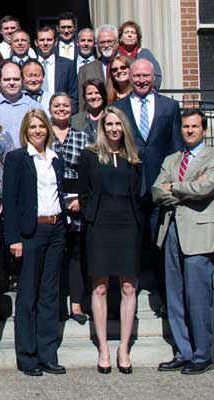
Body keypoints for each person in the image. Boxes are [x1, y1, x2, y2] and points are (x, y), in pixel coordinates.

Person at [113, 59, 182, 310]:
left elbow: (176, 147)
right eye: (137, 75)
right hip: (128, 189)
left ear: (154, 78)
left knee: (161, 246)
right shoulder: (118, 108)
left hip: (159, 189)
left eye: (146, 76)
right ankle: (123, 297)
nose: (141, 80)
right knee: (127, 244)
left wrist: (173, 185)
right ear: (129, 77)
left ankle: (164, 300)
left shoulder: (170, 107)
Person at [78, 106, 142, 375]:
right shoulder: (90, 156)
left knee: (128, 287)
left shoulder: (134, 158)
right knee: (100, 287)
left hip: (128, 224)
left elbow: (139, 191)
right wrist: (91, 214)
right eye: (108, 124)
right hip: (100, 224)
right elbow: (83, 193)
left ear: (123, 127)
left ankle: (123, 348)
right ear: (102, 128)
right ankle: (103, 347)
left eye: (118, 124)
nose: (114, 128)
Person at [3, 109, 67, 377]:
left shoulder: (56, 159)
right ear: (26, 131)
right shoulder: (17, 158)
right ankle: (27, 355)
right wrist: (14, 238)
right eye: (32, 127)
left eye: (41, 126)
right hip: (31, 232)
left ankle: (47, 354)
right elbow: (11, 200)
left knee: (50, 295)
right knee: (28, 295)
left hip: (56, 229)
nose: (38, 131)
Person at [153, 110, 214, 375]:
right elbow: (157, 191)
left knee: (198, 296)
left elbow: (206, 188)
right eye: (186, 126)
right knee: (175, 296)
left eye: (194, 126)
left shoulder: (212, 156)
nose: (189, 130)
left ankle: (203, 354)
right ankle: (183, 351)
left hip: (199, 235)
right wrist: (186, 187)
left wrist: (173, 187)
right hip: (171, 231)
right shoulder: (172, 158)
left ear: (204, 129)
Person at [49, 92, 93, 324]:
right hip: (50, 200)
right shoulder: (43, 135)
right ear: (50, 109)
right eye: (57, 105)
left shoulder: (82, 137)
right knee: (54, 254)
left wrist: (81, 200)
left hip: (75, 201)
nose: (62, 109)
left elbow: (88, 172)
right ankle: (55, 304)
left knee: (76, 253)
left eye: (66, 105)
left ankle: (76, 304)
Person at [0, 61, 43, 148]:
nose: (12, 83)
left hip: (26, 159)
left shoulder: (34, 107)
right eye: (7, 79)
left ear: (23, 80)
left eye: (16, 79)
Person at [35, 26, 78, 113]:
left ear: (55, 42)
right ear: (36, 42)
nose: (45, 43)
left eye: (49, 40)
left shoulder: (67, 65)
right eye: (42, 40)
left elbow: (73, 96)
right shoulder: (29, 66)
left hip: (61, 116)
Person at [78, 24, 119, 111]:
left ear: (117, 42)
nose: (106, 45)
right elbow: (82, 102)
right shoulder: (85, 70)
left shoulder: (129, 65)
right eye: (102, 42)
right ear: (96, 44)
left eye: (110, 41)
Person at [117, 21, 162, 89]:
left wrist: (147, 90)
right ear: (120, 37)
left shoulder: (145, 54)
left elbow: (157, 76)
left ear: (137, 38)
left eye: (133, 33)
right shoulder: (115, 55)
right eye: (126, 32)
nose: (130, 35)